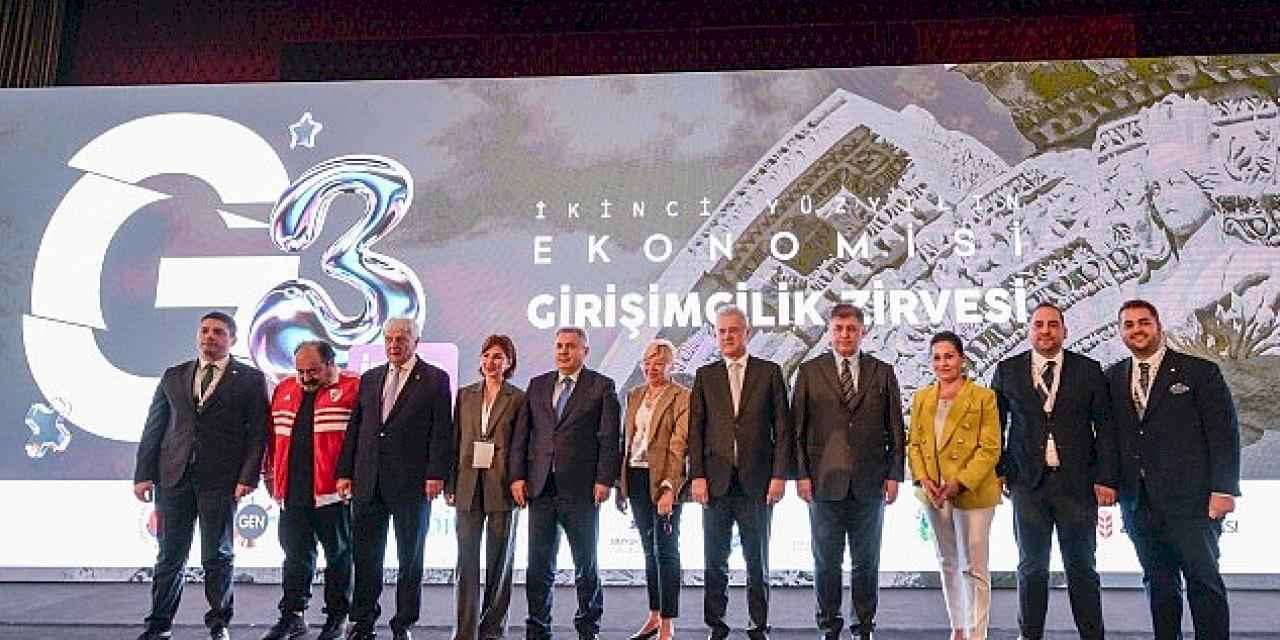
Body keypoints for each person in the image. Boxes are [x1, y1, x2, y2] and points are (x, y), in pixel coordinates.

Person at [1104, 299, 1240, 640]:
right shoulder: (1112, 378)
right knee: (1159, 584)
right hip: (1138, 503)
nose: (1137, 330)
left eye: (1143, 322)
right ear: (1121, 332)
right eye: (1129, 324)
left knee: (1203, 581)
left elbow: (1223, 434)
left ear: (1158, 326)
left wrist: (1224, 489)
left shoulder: (1200, 372)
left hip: (1193, 502)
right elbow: (1108, 438)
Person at [133, 310, 269, 640]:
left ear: (232, 340)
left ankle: (219, 623)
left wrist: (248, 477)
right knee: (169, 556)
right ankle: (159, 625)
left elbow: (257, 434)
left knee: (217, 556)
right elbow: (154, 427)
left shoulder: (250, 378)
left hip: (221, 480)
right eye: (205, 330)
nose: (210, 336)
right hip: (173, 478)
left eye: (218, 332)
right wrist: (143, 474)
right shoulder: (174, 375)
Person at [990, 303, 1117, 640]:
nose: (1045, 330)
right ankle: (1029, 635)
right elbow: (993, 426)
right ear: (1029, 331)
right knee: (1031, 569)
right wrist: (1000, 470)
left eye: (1052, 324)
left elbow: (1106, 428)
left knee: (1082, 568)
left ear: (1064, 331)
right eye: (1039, 325)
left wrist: (1106, 478)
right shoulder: (1007, 370)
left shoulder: (1089, 370)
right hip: (1028, 485)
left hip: (1078, 485)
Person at [336, 318, 454, 640]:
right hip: (368, 480)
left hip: (412, 484)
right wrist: (345, 472)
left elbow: (441, 432)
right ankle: (362, 620)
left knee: (410, 559)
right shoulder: (370, 378)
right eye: (389, 338)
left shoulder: (435, 379)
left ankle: (403, 623)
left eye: (401, 338)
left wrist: (436, 474)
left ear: (416, 342)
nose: (394, 344)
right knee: (366, 556)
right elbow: (356, 428)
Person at [792, 304, 905, 640]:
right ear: (829, 332)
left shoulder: (882, 371)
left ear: (862, 332)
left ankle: (863, 627)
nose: (845, 335)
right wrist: (801, 475)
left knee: (866, 563)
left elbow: (896, 429)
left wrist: (894, 475)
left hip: (871, 483)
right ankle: (829, 627)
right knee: (826, 563)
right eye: (839, 328)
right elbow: (797, 430)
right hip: (823, 482)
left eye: (851, 329)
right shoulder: (809, 372)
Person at [508, 327, 620, 640]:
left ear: (585, 351)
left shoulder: (601, 386)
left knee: (586, 564)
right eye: (559, 346)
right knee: (538, 566)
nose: (563, 352)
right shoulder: (538, 385)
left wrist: (604, 479)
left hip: (582, 490)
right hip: (541, 488)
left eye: (571, 346)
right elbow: (522, 437)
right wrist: (517, 476)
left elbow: (609, 439)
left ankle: (588, 629)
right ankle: (537, 629)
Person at [688, 305, 792, 640]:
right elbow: (696, 430)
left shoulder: (769, 372)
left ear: (747, 333)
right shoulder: (705, 375)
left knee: (756, 561)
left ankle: (758, 626)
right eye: (721, 331)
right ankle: (716, 626)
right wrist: (697, 476)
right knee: (714, 561)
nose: (727, 336)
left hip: (758, 484)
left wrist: (779, 476)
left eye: (734, 330)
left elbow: (783, 430)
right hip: (715, 483)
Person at [260, 341, 357, 640]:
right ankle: (292, 615)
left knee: (339, 556)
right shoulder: (283, 389)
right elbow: (272, 439)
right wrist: (270, 474)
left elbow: (362, 441)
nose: (305, 377)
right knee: (295, 556)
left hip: (334, 493)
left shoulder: (354, 387)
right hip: (292, 492)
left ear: (331, 364)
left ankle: (337, 618)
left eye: (312, 371)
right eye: (300, 371)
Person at [907, 331, 1001, 640]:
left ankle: (977, 633)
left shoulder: (984, 397)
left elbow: (990, 449)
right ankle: (958, 628)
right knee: (947, 562)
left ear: (962, 359)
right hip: (934, 494)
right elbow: (914, 444)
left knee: (974, 567)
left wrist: (958, 483)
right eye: (937, 357)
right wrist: (923, 479)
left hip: (973, 492)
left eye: (949, 356)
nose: (943, 363)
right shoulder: (922, 397)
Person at [446, 335, 525, 640]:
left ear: (509, 363)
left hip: (502, 486)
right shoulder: (465, 395)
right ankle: (465, 631)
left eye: (498, 357)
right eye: (487, 356)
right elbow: (455, 440)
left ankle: (492, 630)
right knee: (466, 561)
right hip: (467, 483)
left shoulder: (518, 398)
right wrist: (450, 483)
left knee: (499, 562)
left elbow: (520, 445)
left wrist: (518, 480)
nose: (491, 362)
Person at [614, 339, 691, 640]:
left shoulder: (682, 397)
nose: (651, 368)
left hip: (664, 479)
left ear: (671, 366)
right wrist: (621, 485)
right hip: (635, 477)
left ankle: (668, 624)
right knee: (649, 550)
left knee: (666, 550)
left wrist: (669, 487)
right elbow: (627, 441)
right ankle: (654, 616)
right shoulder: (634, 395)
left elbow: (679, 445)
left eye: (659, 363)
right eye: (647, 362)